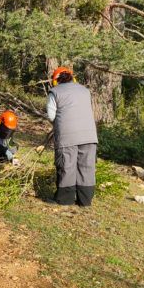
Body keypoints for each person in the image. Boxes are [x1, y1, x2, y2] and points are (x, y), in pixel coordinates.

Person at [47, 66, 98, 206]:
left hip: (67, 136)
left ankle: (65, 200)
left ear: (55, 81)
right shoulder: (85, 90)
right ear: (73, 78)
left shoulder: (54, 92)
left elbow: (51, 115)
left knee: (66, 166)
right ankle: (85, 201)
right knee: (87, 168)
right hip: (89, 135)